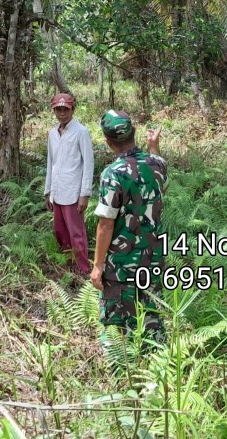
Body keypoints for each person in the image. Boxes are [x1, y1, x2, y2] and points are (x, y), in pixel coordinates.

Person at [91, 110, 168, 336]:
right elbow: (162, 186)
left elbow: (106, 224)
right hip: (153, 256)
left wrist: (98, 265)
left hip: (121, 263)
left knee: (118, 324)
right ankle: (156, 362)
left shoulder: (112, 174)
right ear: (134, 132)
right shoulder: (158, 164)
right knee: (152, 317)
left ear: (108, 141)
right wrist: (153, 147)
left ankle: (121, 366)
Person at [44, 93, 94, 274]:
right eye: (58, 109)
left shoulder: (81, 132)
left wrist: (84, 194)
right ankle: (67, 262)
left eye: (66, 109)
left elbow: (88, 164)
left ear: (73, 109)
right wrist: (48, 190)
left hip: (73, 191)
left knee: (76, 232)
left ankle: (83, 267)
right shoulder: (52, 133)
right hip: (57, 190)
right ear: (54, 110)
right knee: (59, 230)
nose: (62, 113)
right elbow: (51, 162)